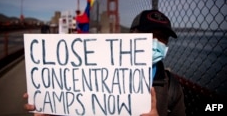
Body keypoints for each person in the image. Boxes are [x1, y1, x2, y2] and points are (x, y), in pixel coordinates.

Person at [23, 10, 186, 116]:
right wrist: (54, 109)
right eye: (149, 34)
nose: (156, 41)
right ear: (131, 35)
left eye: (163, 37)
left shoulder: (172, 88)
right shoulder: (91, 73)